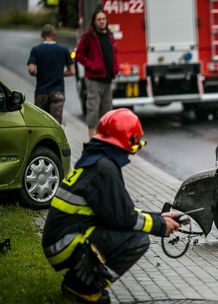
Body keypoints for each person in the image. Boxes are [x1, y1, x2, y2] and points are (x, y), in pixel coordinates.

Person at [41, 109, 181, 303]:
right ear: (127, 141)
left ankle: (77, 282)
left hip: (60, 239)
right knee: (137, 241)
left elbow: (118, 211)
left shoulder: (96, 160)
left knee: (130, 231)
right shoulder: (104, 169)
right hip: (64, 244)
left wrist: (160, 217)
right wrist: (160, 226)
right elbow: (123, 218)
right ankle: (83, 287)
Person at [76, 9, 119, 138]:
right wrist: (92, 66)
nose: (102, 21)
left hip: (108, 79)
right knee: (93, 111)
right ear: (94, 22)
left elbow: (114, 54)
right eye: (99, 19)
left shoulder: (109, 36)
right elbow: (78, 55)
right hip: (94, 80)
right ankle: (92, 142)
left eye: (104, 19)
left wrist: (116, 68)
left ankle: (105, 141)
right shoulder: (88, 36)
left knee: (107, 113)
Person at [27, 24, 75, 124]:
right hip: (58, 92)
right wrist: (60, 74)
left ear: (42, 35)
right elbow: (72, 71)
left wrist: (40, 73)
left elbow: (31, 70)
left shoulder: (36, 49)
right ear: (54, 34)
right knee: (56, 124)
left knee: (41, 123)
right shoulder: (63, 49)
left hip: (41, 92)